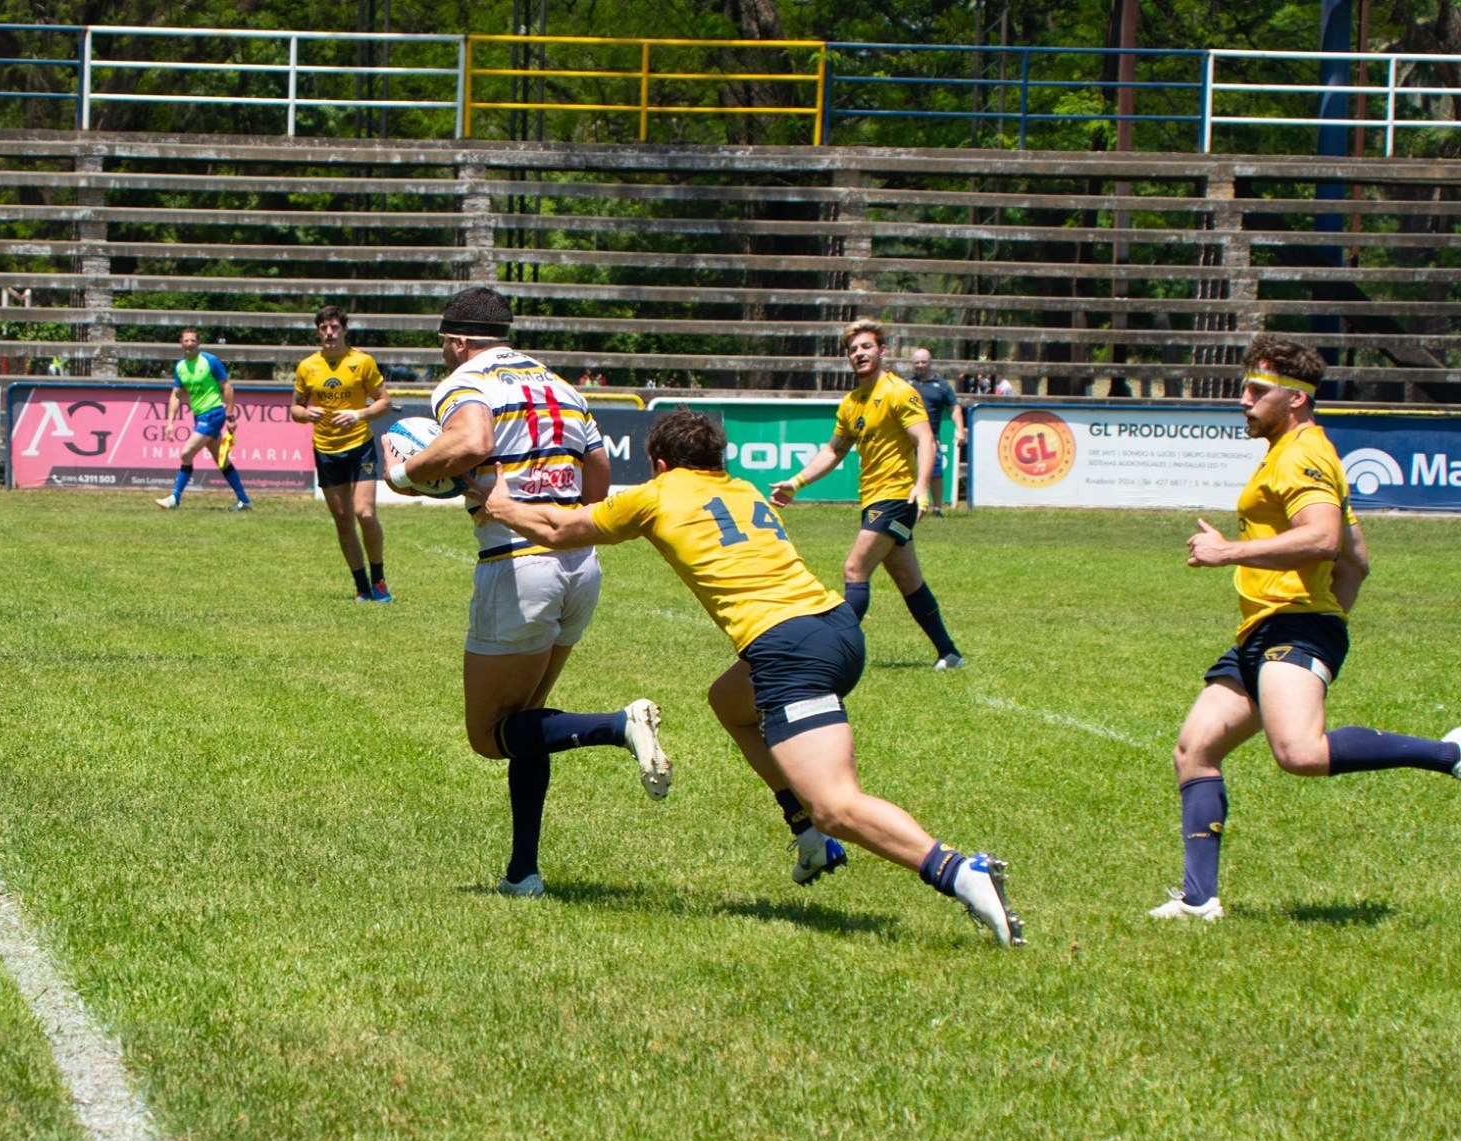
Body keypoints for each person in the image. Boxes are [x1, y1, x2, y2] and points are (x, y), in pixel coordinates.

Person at [477, 410, 1022, 946]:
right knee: (729, 702)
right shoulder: (747, 491)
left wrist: (498, 502)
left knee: (837, 804)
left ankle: (955, 869)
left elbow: (557, 528)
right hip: (835, 628)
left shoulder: (659, 493)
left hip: (789, 651)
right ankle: (805, 831)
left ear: (660, 463)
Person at [1151, 335, 1460, 921]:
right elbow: (1356, 557)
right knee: (1195, 749)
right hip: (1266, 629)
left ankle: (1449, 754)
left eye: (1256, 391)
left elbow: (1321, 539)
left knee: (1299, 752)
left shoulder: (1302, 456)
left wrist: (1231, 554)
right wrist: (1332, 608)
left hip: (1294, 627)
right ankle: (1199, 899)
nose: (1243, 400)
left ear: (1295, 400)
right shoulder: (1293, 450)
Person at [388, 286, 672, 898]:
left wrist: (405, 474)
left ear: (459, 340)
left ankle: (617, 726)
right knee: (528, 724)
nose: (444, 355)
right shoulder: (562, 386)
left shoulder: (466, 379)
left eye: (444, 345)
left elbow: (470, 444)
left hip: (518, 565)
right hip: (579, 565)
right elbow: (597, 477)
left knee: (489, 736)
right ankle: (523, 871)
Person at [774, 319, 965, 670]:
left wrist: (921, 486)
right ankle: (949, 652)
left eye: (866, 347)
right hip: (875, 499)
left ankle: (829, 652)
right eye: (853, 349)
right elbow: (833, 451)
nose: (859, 353)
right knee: (908, 579)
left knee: (854, 568)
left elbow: (925, 440)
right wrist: (797, 482)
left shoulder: (899, 391)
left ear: (882, 351)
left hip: (896, 498)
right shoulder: (852, 403)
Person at [292, 305, 394, 601]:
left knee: (365, 512)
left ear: (344, 330)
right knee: (343, 519)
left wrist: (358, 415)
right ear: (318, 332)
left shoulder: (362, 362)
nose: (329, 333)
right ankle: (361, 587)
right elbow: (296, 409)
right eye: (323, 328)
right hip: (326, 449)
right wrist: (307, 414)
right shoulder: (307, 366)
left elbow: (384, 402)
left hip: (359, 446)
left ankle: (379, 581)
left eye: (334, 327)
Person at [157, 327, 252, 510]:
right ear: (181, 343)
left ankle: (174, 499)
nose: (189, 344)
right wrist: (170, 422)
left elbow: (227, 387)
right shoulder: (180, 367)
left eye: (193, 340)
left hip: (213, 413)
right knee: (222, 459)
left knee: (186, 453)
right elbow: (176, 395)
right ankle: (244, 501)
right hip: (199, 415)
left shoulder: (210, 361)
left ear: (198, 343)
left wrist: (230, 415)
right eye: (186, 341)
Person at [907, 347, 965, 514]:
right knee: (906, 471)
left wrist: (960, 430)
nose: (920, 365)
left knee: (935, 473)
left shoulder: (942, 385)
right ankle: (909, 505)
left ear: (930, 362)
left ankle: (937, 508)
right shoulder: (905, 383)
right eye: (917, 362)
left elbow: (954, 408)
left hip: (931, 437)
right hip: (907, 436)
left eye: (923, 362)